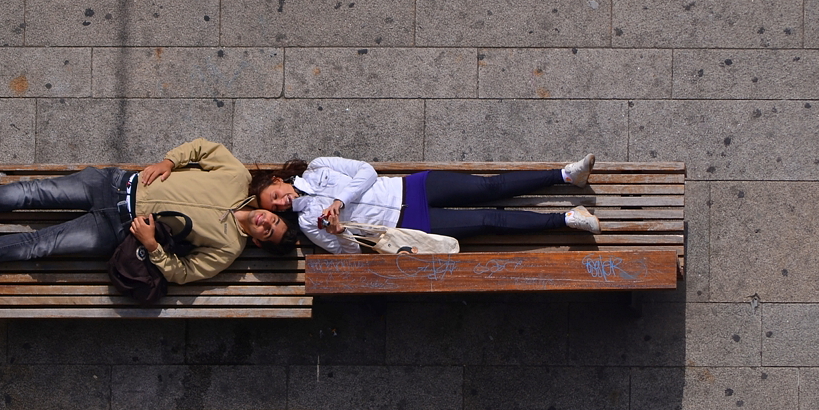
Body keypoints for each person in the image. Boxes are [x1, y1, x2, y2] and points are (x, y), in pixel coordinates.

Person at [0, 138, 297, 295]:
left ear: (259, 242)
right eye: (276, 220)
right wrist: (169, 161)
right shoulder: (237, 177)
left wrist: (153, 246)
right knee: (31, 193)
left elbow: (182, 273)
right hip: (114, 184)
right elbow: (204, 148)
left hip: (116, 229)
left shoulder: (229, 249)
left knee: (39, 245)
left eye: (270, 232)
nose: (268, 223)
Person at [250, 154, 601, 254]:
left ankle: (566, 175)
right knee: (488, 220)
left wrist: (341, 200)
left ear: (278, 180)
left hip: (414, 187)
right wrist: (340, 232)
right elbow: (350, 254)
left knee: (489, 187)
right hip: (410, 226)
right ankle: (568, 219)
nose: (281, 204)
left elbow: (366, 171)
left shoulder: (317, 167)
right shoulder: (310, 223)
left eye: (275, 196)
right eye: (276, 208)